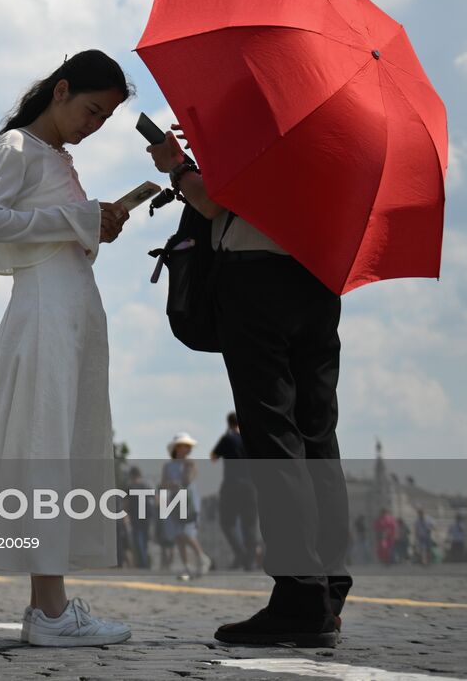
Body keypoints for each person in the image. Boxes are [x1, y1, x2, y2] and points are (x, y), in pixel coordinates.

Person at [0, 50, 133, 647]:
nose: (94, 124)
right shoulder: (15, 149)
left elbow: (53, 227)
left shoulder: (55, 157)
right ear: (60, 91)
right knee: (46, 449)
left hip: (72, 313)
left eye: (104, 117)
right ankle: (50, 613)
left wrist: (96, 222)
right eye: (91, 109)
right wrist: (75, 217)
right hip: (45, 315)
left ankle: (48, 607)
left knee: (64, 449)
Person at [149, 126, 351, 647]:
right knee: (318, 437)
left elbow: (215, 202)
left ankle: (299, 598)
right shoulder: (339, 125)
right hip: (320, 278)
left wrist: (177, 164)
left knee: (274, 436)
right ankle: (327, 593)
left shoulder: (262, 109)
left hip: (257, 278)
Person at [211, 413, 259, 571]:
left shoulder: (228, 439)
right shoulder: (251, 438)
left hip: (232, 485)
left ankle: (241, 553)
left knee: (227, 523)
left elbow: (213, 457)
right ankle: (250, 561)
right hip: (250, 485)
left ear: (229, 423)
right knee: (250, 524)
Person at [161, 433, 210, 580]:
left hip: (188, 502)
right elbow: (163, 483)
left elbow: (188, 480)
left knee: (187, 533)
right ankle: (187, 566)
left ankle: (201, 558)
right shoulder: (168, 466)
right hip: (174, 501)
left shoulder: (190, 464)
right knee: (178, 535)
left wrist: (184, 472)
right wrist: (172, 484)